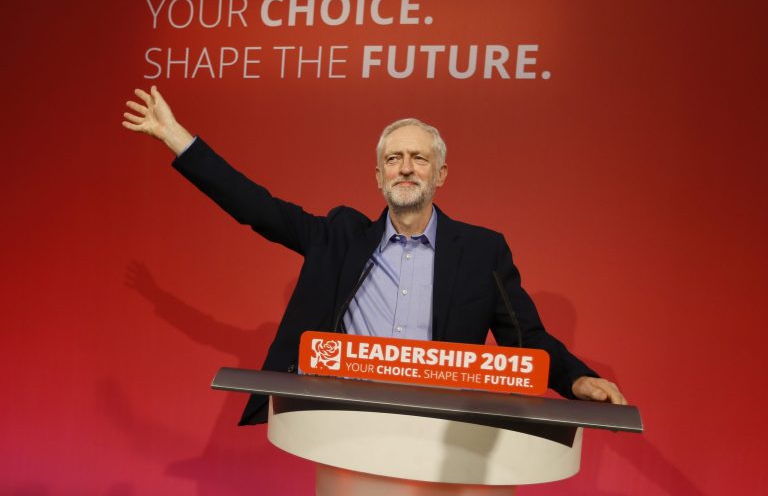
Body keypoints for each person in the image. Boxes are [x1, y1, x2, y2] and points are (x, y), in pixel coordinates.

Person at [123, 86, 627, 425]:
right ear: (379, 176)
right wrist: (178, 140)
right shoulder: (340, 237)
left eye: (418, 158)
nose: (405, 168)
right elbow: (258, 208)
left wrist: (575, 378)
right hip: (345, 425)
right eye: (393, 159)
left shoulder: (481, 250)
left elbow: (525, 337)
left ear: (440, 174)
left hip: (438, 430)